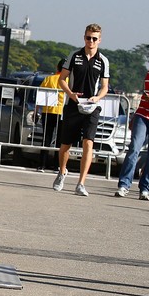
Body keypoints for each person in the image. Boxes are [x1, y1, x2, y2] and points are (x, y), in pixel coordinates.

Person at [51, 24, 110, 197]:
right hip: (73, 104)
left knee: (88, 143)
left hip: (92, 106)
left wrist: (97, 98)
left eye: (94, 38)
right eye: (87, 38)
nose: (90, 41)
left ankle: (81, 183)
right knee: (65, 145)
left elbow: (105, 86)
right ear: (84, 37)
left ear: (99, 40)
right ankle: (62, 172)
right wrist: (71, 94)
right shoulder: (74, 55)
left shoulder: (103, 61)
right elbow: (62, 79)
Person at [115, 40, 149, 200]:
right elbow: (145, 96)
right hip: (143, 115)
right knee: (133, 149)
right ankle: (124, 185)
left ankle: (145, 188)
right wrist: (135, 115)